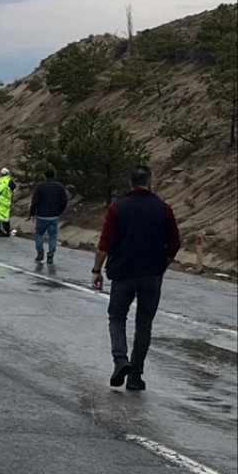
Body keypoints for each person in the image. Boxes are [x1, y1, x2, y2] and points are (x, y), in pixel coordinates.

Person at [91, 166, 180, 392]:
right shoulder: (163, 209)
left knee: (117, 317)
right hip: (151, 275)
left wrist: (96, 270)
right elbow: (174, 244)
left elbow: (105, 243)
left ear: (131, 183)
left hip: (123, 273)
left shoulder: (117, 208)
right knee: (144, 324)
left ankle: (120, 359)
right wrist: (162, 266)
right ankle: (135, 375)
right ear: (149, 182)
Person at [29, 169, 68, 263]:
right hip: (54, 215)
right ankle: (50, 255)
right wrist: (59, 211)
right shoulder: (59, 186)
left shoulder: (40, 186)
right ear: (54, 175)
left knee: (39, 233)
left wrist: (32, 212)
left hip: (41, 215)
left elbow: (34, 201)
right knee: (52, 236)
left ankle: (40, 252)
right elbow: (64, 200)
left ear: (44, 175)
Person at [0, 168, 16, 236]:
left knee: (1, 217)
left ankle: (3, 231)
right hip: (7, 201)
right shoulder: (9, 181)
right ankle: (6, 230)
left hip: (1, 202)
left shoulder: (3, 181)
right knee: (6, 217)